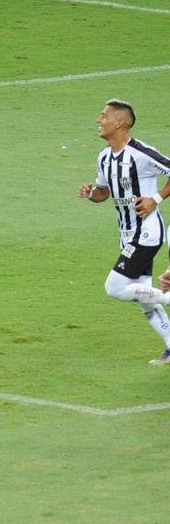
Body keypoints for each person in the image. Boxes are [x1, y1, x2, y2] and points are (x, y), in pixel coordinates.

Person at [78, 99, 170, 365]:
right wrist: (92, 194)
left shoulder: (140, 153)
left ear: (120, 123)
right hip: (127, 234)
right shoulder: (105, 157)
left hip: (147, 233)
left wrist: (156, 198)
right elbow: (104, 192)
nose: (99, 119)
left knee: (115, 287)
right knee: (142, 295)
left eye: (104, 115)